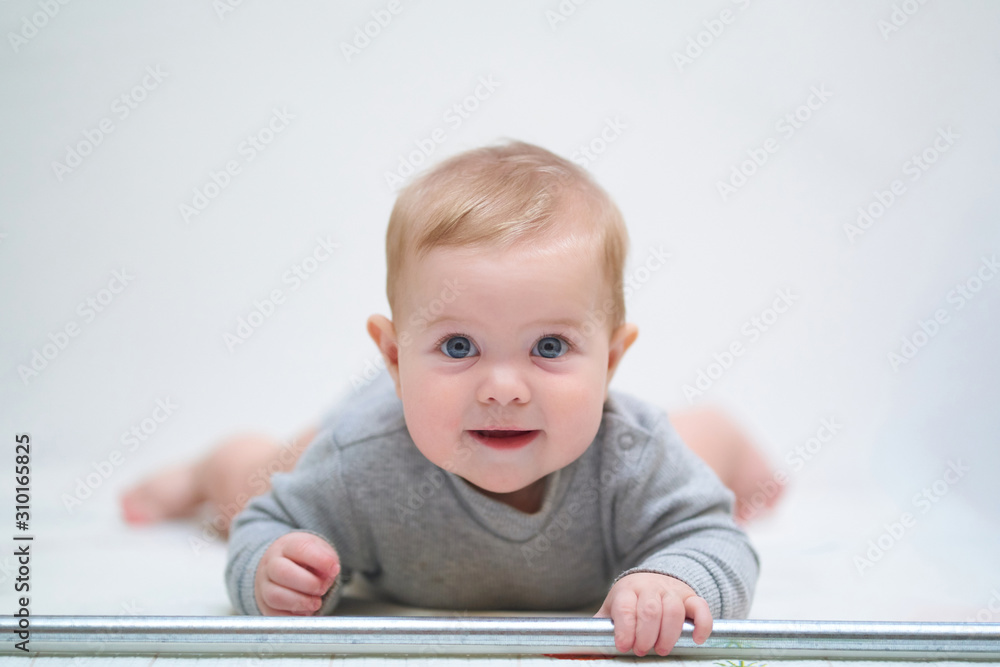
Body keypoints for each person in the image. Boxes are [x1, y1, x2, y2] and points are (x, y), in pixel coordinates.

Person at [121, 141, 782, 657]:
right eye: (460, 345)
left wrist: (678, 580)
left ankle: (727, 434)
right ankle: (207, 467)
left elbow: (713, 537)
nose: (503, 387)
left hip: (579, 428)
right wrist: (270, 570)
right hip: (382, 423)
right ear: (394, 357)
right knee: (250, 483)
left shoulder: (631, 455)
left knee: (689, 443)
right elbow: (265, 525)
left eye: (549, 346)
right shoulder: (361, 462)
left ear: (610, 360)